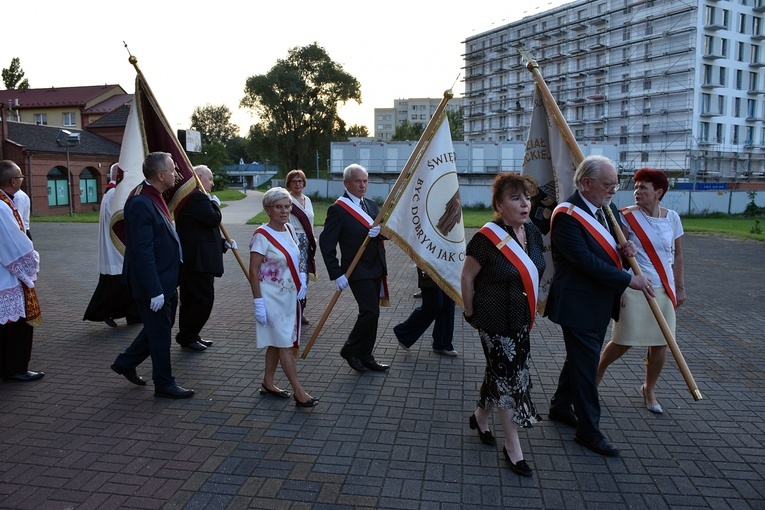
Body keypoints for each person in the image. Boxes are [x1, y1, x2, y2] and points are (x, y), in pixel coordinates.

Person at [544, 155, 653, 456]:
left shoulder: (609, 209)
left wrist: (625, 247)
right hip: (578, 303)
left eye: (616, 184)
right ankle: (588, 431)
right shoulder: (566, 215)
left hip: (600, 302)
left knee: (580, 359)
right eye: (608, 184)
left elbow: (613, 247)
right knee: (586, 364)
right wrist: (626, 280)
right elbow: (584, 261)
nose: (613, 190)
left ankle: (560, 406)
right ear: (587, 183)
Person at [461, 173, 545, 477]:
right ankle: (513, 447)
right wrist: (470, 312)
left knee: (497, 373)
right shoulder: (486, 239)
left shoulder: (533, 233)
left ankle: (480, 416)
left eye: (526, 197)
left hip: (521, 320)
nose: (524, 204)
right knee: (510, 379)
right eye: (515, 198)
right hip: (493, 321)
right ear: (499, 204)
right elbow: (467, 278)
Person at [597, 168, 686, 414]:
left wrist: (679, 287)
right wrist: (620, 287)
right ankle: (595, 377)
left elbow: (677, 255)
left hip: (664, 289)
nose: (637, 191)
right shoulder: (625, 217)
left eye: (643, 187)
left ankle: (649, 388)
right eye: (635, 187)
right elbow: (617, 257)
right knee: (622, 342)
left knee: (661, 344)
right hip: (634, 287)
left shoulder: (673, 218)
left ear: (658, 192)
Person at [110, 152, 194, 399]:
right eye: (172, 170)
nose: (176, 174)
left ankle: (126, 362)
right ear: (160, 175)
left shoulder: (153, 195)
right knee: (160, 334)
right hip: (153, 282)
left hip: (166, 278)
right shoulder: (140, 202)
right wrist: (154, 290)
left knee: (161, 327)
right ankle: (164, 383)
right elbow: (142, 252)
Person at [249, 187, 318, 407]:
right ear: (268, 210)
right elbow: (253, 271)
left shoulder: (288, 229)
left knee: (276, 342)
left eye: (287, 206)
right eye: (278, 207)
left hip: (289, 298)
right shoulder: (261, 235)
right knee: (286, 344)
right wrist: (258, 303)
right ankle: (299, 391)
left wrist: (302, 282)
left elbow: (296, 259)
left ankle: (268, 383)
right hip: (270, 300)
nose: (284, 210)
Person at [319, 163, 389, 373]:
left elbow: (385, 231)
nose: (362, 185)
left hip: (376, 265)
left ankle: (366, 354)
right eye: (357, 181)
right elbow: (326, 244)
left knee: (373, 313)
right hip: (356, 269)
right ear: (346, 183)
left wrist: (382, 231)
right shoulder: (338, 210)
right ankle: (350, 349)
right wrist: (336, 273)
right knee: (370, 311)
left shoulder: (371, 204)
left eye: (365, 181)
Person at [174, 165, 236, 352]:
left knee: (191, 299)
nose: (212, 182)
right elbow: (212, 220)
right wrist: (215, 204)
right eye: (209, 178)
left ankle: (189, 334)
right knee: (202, 300)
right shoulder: (197, 197)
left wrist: (222, 243)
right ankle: (188, 335)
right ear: (199, 177)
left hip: (194, 259)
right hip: (198, 262)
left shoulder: (191, 197)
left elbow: (201, 231)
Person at [0, 160, 44, 382]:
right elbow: (13, 244)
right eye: (20, 177)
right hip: (6, 276)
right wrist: (31, 262)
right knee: (16, 326)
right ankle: (15, 368)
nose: (21, 180)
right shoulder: (1, 206)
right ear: (12, 181)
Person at [83, 164, 141, 328]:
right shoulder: (116, 194)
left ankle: (131, 314)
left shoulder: (111, 193)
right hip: (118, 245)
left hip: (116, 245)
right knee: (117, 284)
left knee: (121, 284)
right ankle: (109, 312)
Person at [394, 267, 457, 356]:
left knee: (448, 302)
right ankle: (404, 332)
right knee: (434, 304)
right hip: (430, 262)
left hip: (450, 264)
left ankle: (442, 343)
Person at [286, 169, 316, 326]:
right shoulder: (287, 200)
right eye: (294, 181)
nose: (297, 184)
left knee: (304, 278)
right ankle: (291, 312)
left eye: (300, 181)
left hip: (307, 242)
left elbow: (310, 222)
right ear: (289, 184)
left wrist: (312, 240)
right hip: (292, 240)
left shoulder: (308, 200)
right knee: (293, 277)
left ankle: (300, 311)